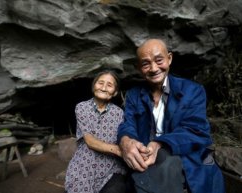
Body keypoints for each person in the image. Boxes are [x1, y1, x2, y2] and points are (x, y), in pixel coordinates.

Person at [117, 39, 225, 193]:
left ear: (170, 58)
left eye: (159, 60)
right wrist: (126, 141)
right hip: (147, 157)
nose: (154, 68)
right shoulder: (134, 94)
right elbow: (128, 123)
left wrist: (159, 144)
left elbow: (196, 130)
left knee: (166, 168)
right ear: (139, 68)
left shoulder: (192, 91)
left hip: (183, 156)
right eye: (146, 64)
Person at [65, 70, 127, 193]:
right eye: (100, 83)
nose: (104, 88)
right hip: (84, 162)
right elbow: (90, 141)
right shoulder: (82, 107)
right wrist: (118, 150)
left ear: (115, 92)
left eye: (109, 85)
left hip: (110, 164)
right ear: (94, 86)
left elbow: (123, 137)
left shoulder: (119, 113)